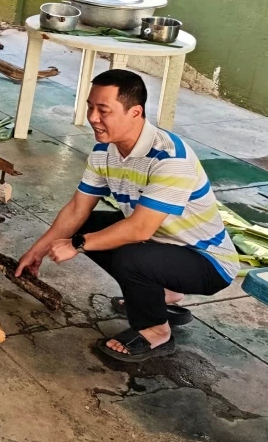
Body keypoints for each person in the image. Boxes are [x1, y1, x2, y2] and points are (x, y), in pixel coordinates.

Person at [15, 69, 239, 363]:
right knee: (91, 225)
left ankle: (156, 331)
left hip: (206, 261)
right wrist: (39, 249)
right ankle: (163, 294)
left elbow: (140, 230)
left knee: (127, 257)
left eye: (103, 110)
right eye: (90, 107)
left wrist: (77, 243)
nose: (93, 117)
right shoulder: (104, 151)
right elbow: (77, 209)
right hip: (163, 246)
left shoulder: (171, 159)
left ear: (135, 112)